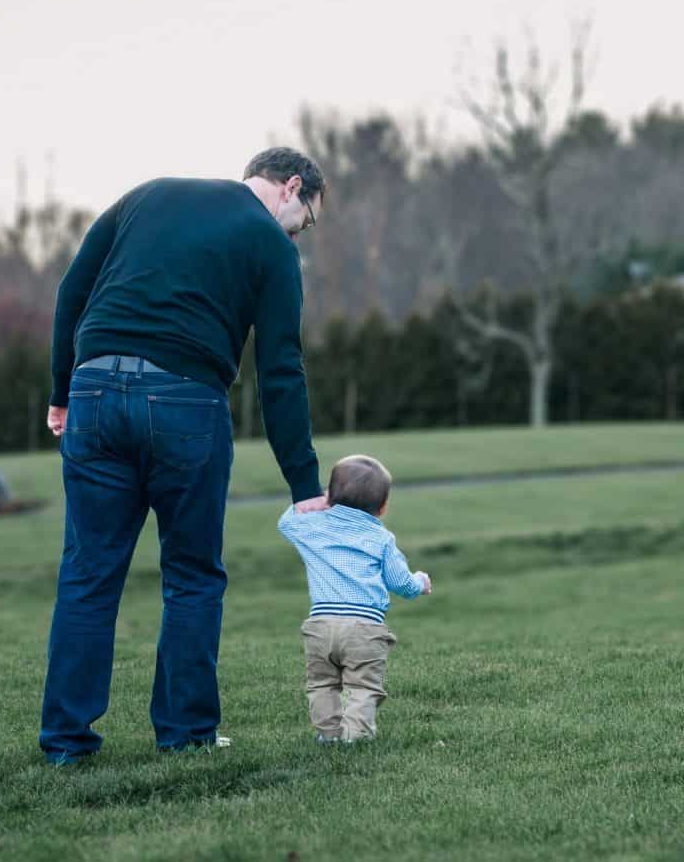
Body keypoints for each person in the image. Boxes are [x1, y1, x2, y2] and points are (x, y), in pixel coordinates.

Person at [40, 147, 328, 764]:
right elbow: (280, 369)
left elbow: (72, 290)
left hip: (94, 392)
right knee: (193, 575)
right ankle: (186, 735)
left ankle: (66, 745)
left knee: (88, 575)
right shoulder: (272, 245)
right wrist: (305, 484)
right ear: (291, 188)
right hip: (185, 401)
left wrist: (63, 390)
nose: (300, 232)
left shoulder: (147, 194)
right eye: (306, 219)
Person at [278, 454, 432, 744]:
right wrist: (420, 583)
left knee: (322, 684)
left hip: (320, 626)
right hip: (364, 629)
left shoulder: (313, 527)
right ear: (383, 507)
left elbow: (286, 523)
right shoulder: (380, 538)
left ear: (329, 495)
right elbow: (400, 583)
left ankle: (329, 734)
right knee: (363, 687)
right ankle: (356, 737)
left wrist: (317, 503)